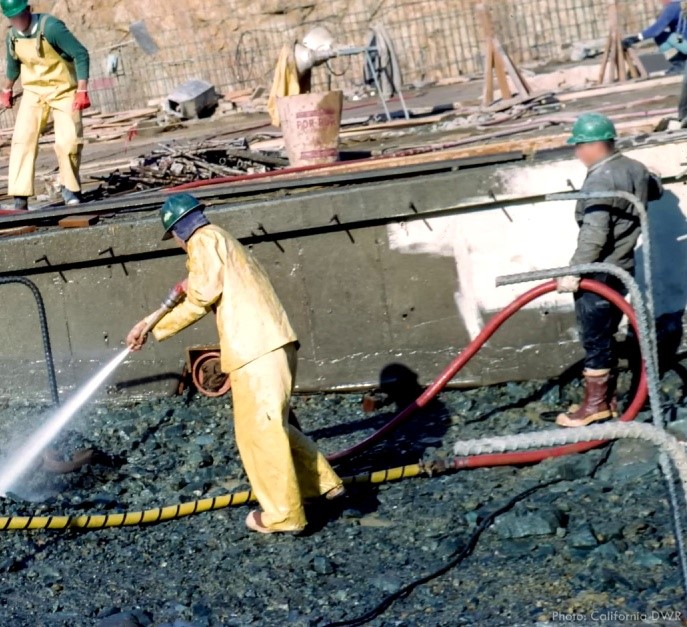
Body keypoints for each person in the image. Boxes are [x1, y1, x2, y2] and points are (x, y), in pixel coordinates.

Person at [126, 193, 344, 534]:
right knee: (273, 425)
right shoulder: (222, 239)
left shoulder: (203, 241)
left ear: (179, 233)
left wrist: (157, 331)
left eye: (176, 240)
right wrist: (149, 322)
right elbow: (196, 287)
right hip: (273, 341)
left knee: (258, 434)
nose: (180, 246)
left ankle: (284, 515)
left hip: (254, 348)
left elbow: (200, 297)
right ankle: (320, 484)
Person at [555, 113, 662, 428]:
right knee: (607, 331)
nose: (577, 153)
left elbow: (595, 233)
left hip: (600, 271)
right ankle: (606, 401)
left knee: (595, 337)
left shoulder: (601, 177)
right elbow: (654, 189)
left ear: (594, 145)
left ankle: (597, 405)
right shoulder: (633, 167)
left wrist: (575, 271)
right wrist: (649, 177)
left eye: (579, 146)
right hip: (623, 266)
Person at [1, 0, 91, 210]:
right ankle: (20, 197)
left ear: (28, 10)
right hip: (34, 92)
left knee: (68, 141)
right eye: (12, 18)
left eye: (20, 15)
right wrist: (6, 89)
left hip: (64, 89)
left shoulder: (50, 28)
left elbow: (81, 54)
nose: (17, 21)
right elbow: (13, 65)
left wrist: (82, 89)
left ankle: (70, 190)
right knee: (22, 139)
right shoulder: (12, 36)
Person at [622, 0, 687, 74]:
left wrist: (636, 38)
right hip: (682, 43)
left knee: (666, 36)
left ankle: (678, 63)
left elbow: (656, 29)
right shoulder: (682, 5)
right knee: (673, 37)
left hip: (683, 44)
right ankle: (680, 61)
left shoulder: (672, 7)